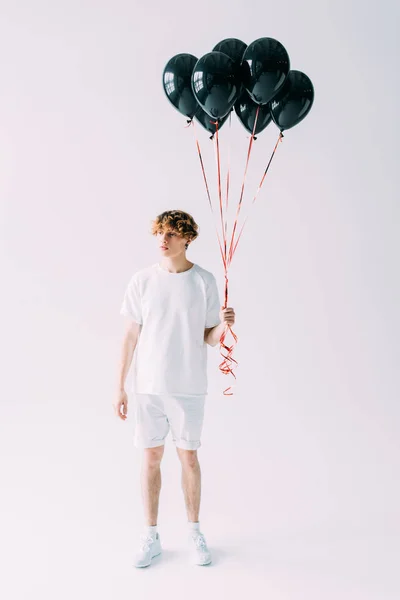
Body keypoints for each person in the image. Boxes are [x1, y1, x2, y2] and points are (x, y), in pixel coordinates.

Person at [114, 209, 235, 568]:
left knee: (189, 459)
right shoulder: (142, 281)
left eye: (170, 234)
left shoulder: (204, 281)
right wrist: (120, 386)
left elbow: (210, 339)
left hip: (188, 387)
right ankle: (150, 537)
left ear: (187, 239)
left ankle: (195, 533)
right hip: (148, 387)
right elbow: (130, 336)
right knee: (150, 458)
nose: (163, 241)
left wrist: (224, 326)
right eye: (160, 234)